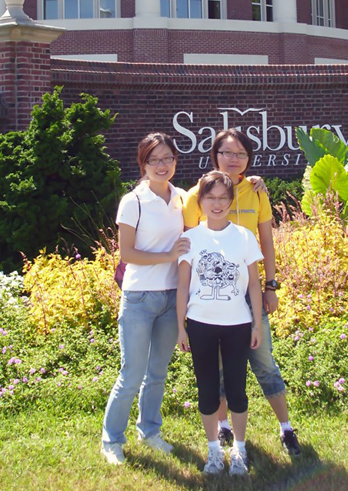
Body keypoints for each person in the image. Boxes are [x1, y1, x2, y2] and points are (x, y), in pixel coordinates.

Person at [183, 129, 301, 456]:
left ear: (248, 159)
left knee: (264, 361)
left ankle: (286, 428)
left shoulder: (257, 192)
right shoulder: (197, 195)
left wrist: (271, 285)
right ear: (215, 156)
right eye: (226, 153)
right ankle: (223, 427)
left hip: (249, 293)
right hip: (212, 294)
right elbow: (188, 247)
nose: (233, 159)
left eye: (240, 154)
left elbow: (267, 243)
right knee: (219, 366)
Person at [101, 132, 190, 465]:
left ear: (176, 160)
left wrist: (252, 181)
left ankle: (150, 431)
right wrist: (168, 256)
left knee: (157, 373)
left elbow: (218, 191)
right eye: (154, 159)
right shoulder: (133, 201)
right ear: (143, 164)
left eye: (168, 158)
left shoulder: (182, 198)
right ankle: (111, 440)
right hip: (138, 297)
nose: (162, 165)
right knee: (131, 374)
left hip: (171, 297)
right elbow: (127, 253)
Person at [177, 170, 263, 476]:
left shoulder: (244, 237)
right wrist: (180, 326)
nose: (217, 204)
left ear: (231, 201)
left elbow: (255, 284)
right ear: (200, 201)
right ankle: (214, 450)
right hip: (200, 324)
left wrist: (256, 324)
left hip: (237, 325)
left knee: (237, 389)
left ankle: (239, 449)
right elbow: (183, 286)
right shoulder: (190, 239)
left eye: (223, 198)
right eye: (210, 198)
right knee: (207, 390)